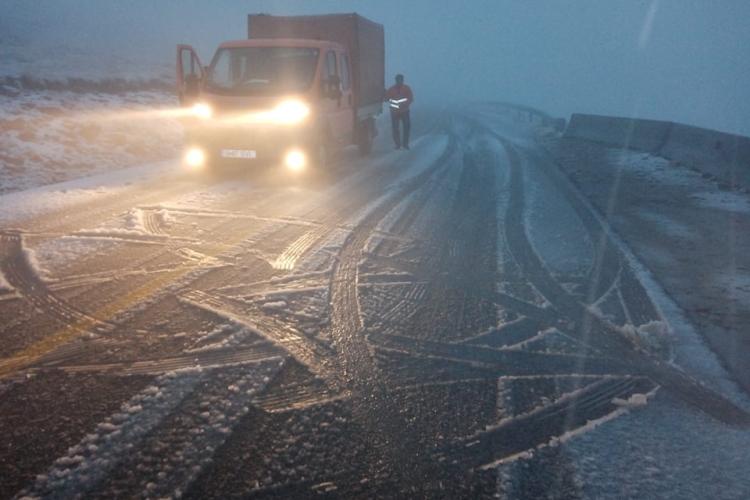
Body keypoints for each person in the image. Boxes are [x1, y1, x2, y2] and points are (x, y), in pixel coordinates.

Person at [385, 74, 414, 150]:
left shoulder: (406, 88)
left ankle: (405, 144)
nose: (399, 81)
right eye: (398, 80)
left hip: (404, 111)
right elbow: (386, 98)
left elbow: (410, 98)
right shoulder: (391, 89)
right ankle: (397, 144)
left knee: (406, 128)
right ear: (396, 80)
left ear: (402, 80)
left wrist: (404, 104)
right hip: (394, 112)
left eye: (401, 80)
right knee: (395, 129)